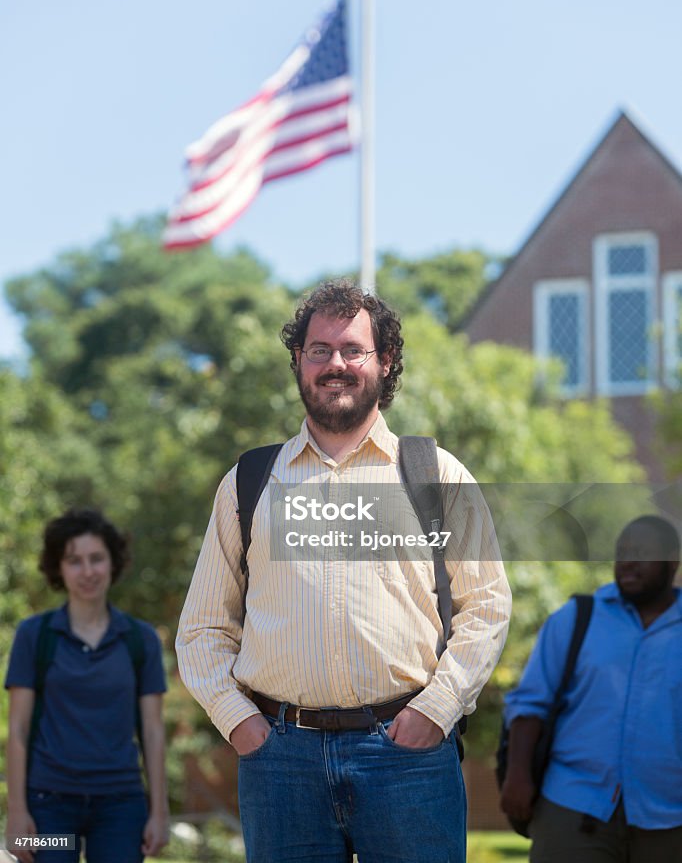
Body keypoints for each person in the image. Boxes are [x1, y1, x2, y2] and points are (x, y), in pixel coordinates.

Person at [176, 279, 511, 863]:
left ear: (384, 362)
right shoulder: (250, 482)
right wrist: (241, 726)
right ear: (299, 364)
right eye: (319, 350)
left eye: (353, 349)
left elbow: (487, 607)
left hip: (408, 758)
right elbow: (203, 629)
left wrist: (436, 712)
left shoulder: (436, 473)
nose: (336, 364)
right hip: (280, 763)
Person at [500, 514, 682, 863]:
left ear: (672, 560)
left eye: (642, 552)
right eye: (622, 552)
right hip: (574, 805)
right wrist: (517, 776)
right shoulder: (576, 618)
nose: (628, 562)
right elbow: (529, 704)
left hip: (670, 815)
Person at [4, 508, 169, 863]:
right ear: (58, 568)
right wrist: (16, 812)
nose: (88, 571)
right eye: (74, 561)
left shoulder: (140, 640)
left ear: (113, 562)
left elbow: (154, 732)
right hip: (50, 810)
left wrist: (160, 812)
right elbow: (16, 729)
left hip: (121, 809)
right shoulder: (35, 636)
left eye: (97, 558)